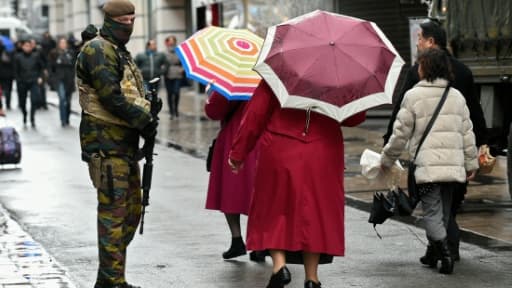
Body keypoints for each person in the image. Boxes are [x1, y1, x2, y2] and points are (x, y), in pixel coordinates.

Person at [229, 80, 365, 288]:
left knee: (273, 208)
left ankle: (279, 267)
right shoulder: (336, 78)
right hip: (322, 150)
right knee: (314, 214)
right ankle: (312, 278)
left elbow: (254, 117)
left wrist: (238, 154)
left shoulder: (277, 75)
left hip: (280, 148)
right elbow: (355, 117)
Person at [382, 19, 488, 261]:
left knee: (431, 208)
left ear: (430, 42)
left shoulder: (414, 82)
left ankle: (443, 250)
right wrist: (474, 158)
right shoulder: (462, 76)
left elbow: (400, 119)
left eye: (419, 37)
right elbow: (472, 120)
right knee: (448, 207)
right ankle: (440, 250)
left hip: (426, 162)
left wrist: (388, 151)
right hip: (455, 160)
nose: (417, 42)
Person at [75, 1, 159, 287]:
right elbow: (111, 95)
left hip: (123, 146)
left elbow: (128, 90)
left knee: (132, 212)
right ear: (111, 20)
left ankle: (108, 277)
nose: (130, 24)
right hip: (105, 145)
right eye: (124, 19)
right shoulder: (98, 50)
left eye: (132, 19)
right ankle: (113, 282)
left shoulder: (117, 49)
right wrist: (142, 120)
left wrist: (148, 106)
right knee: (113, 215)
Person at [204, 84, 266, 262]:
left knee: (232, 191)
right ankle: (259, 243)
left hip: (236, 136)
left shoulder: (233, 77)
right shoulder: (273, 75)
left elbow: (214, 110)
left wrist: (209, 96)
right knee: (261, 193)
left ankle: (237, 239)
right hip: (266, 136)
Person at [13, 39, 45, 127]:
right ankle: (24, 114)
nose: (27, 48)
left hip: (33, 80)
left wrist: (40, 77)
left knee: (34, 100)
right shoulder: (17, 57)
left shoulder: (36, 56)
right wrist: (18, 80)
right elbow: (15, 71)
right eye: (25, 46)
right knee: (22, 102)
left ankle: (32, 117)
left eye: (29, 46)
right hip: (22, 82)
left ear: (31, 47)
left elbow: (41, 67)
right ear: (22, 47)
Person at [48, 37, 76, 127]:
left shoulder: (71, 53)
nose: (63, 44)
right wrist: (51, 79)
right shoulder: (54, 53)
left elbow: (74, 65)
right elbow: (50, 67)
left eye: (64, 43)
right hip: (59, 79)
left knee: (68, 101)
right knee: (62, 99)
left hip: (69, 79)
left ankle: (67, 118)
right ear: (58, 44)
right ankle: (63, 120)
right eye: (61, 43)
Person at [163, 35, 183, 119]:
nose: (171, 43)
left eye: (173, 41)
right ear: (167, 42)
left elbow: (184, 61)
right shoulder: (164, 53)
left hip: (178, 73)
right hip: (168, 74)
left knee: (177, 92)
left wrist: (182, 69)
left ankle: (176, 109)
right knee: (170, 93)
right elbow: (161, 63)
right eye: (170, 41)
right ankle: (171, 112)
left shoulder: (179, 51)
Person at [0, 40, 15, 111]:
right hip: (8, 75)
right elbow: (13, 63)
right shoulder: (8, 53)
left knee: (2, 90)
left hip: (3, 74)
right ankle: (8, 104)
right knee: (8, 90)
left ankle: (1, 105)